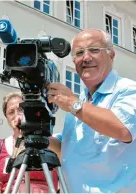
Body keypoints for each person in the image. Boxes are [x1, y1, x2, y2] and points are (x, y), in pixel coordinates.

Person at [48, 29, 136, 192]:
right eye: (79, 53)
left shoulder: (128, 90)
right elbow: (68, 151)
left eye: (94, 50)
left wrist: (72, 103)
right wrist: (39, 137)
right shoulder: (79, 103)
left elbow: (123, 128)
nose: (86, 58)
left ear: (111, 55)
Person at [0, 92, 59, 193]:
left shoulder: (47, 143)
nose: (17, 115)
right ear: (7, 118)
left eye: (21, 109)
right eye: (11, 112)